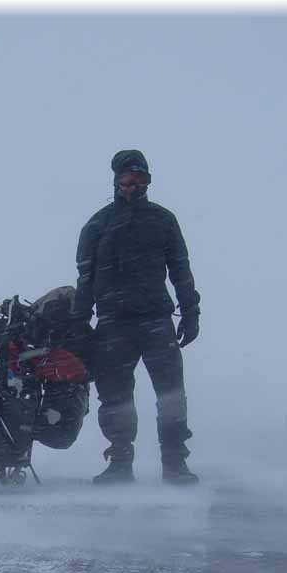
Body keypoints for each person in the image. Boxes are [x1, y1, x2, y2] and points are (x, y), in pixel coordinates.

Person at [70, 149, 201, 485]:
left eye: (138, 179)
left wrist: (190, 311)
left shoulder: (163, 220)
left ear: (148, 180)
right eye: (126, 180)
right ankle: (119, 463)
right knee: (115, 397)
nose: (131, 187)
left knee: (171, 395)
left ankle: (175, 464)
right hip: (113, 324)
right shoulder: (98, 225)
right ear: (116, 182)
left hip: (157, 320)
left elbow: (181, 270)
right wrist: (79, 323)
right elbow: (84, 279)